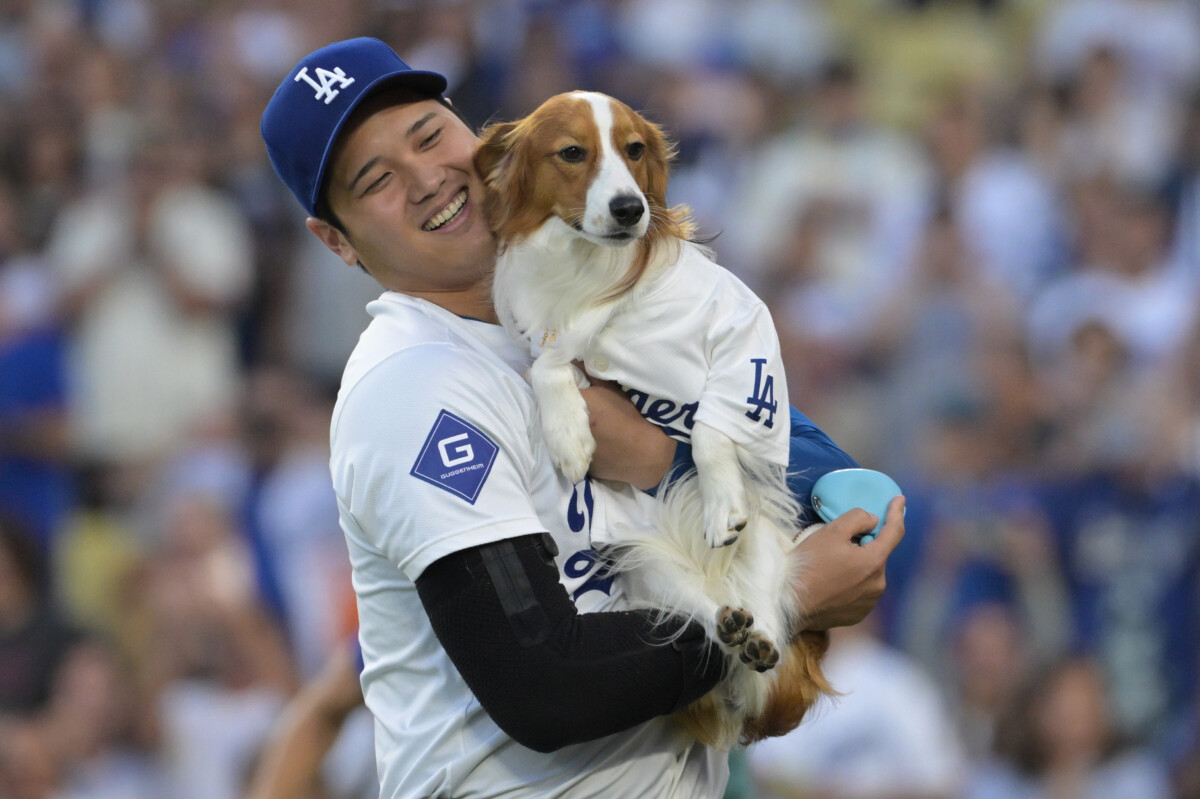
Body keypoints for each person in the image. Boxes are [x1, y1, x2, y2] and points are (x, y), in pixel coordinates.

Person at [260, 36, 905, 798]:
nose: (427, 179)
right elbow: (544, 679)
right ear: (336, 240)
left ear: (476, 135)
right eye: (376, 180)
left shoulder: (594, 277)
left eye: (429, 136)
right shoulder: (412, 385)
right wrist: (786, 596)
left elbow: (816, 475)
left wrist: (662, 461)